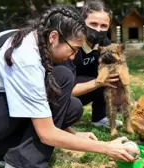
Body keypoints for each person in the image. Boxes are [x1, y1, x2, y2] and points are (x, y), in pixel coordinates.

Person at [0, 5, 137, 168]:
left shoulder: (37, 41)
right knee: (62, 79)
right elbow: (46, 133)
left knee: (70, 101)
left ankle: (1, 146)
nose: (73, 57)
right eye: (74, 49)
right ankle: (21, 162)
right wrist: (106, 148)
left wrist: (75, 134)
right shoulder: (26, 57)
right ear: (54, 37)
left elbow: (46, 106)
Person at [57, 0, 123, 128]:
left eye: (103, 26)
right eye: (93, 24)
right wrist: (98, 82)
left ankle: (99, 117)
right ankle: (61, 116)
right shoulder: (69, 44)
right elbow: (62, 89)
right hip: (62, 92)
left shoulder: (105, 44)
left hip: (86, 86)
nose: (98, 30)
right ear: (82, 22)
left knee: (111, 75)